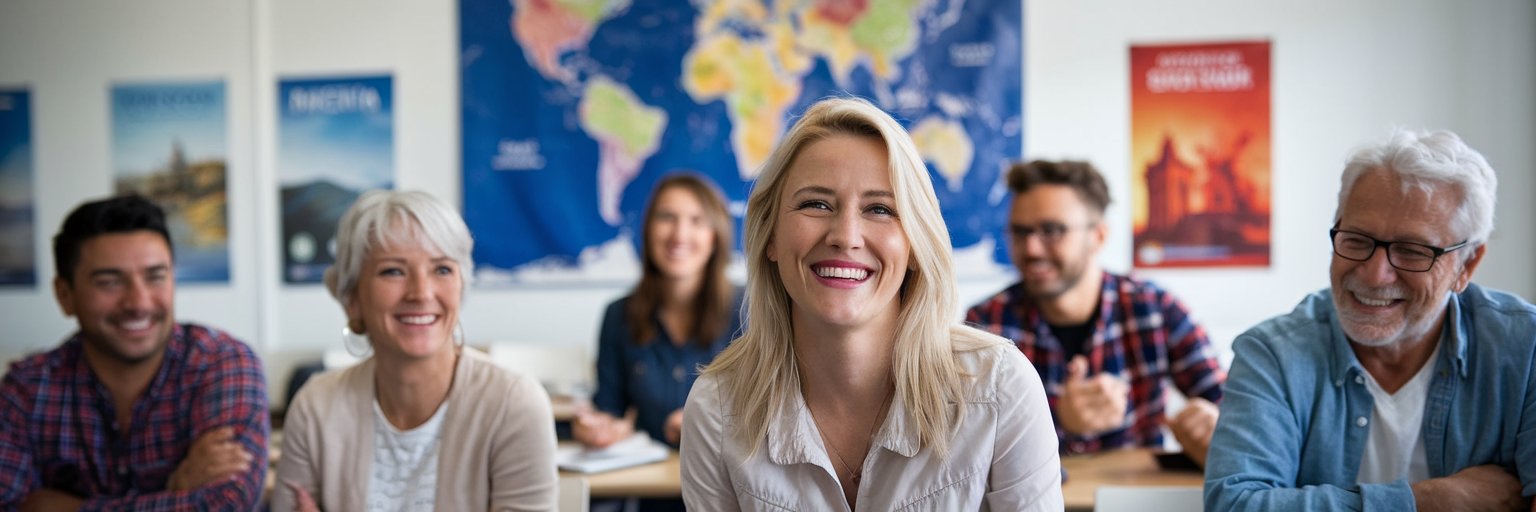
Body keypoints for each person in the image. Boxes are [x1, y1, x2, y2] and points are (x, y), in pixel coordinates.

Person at [680, 97, 1062, 510]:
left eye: (880, 209)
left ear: (916, 244)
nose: (846, 236)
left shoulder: (1000, 388)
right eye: (816, 204)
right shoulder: (716, 409)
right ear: (770, 236)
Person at [1205, 130, 1536, 510]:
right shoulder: (1273, 354)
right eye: (1357, 240)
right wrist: (1428, 501)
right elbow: (1235, 506)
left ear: (1467, 265)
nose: (1375, 274)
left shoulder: (1525, 348)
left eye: (1412, 251)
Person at [274, 190, 558, 511]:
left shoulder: (514, 404)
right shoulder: (315, 408)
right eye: (393, 271)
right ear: (352, 298)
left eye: (442, 269)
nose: (421, 293)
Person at [0, 194, 269, 510]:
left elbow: (228, 504)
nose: (139, 303)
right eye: (110, 282)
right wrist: (176, 492)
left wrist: (56, 506)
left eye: (155, 277)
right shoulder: (26, 390)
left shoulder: (222, 362)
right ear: (65, 295)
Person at [965, 159, 1225, 465]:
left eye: (1052, 230)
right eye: (1020, 232)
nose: (1032, 248)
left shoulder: (1155, 310)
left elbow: (1238, 412)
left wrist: (1215, 424)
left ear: (1098, 236)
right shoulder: (984, 325)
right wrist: (1059, 423)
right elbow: (967, 448)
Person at [574, 172, 744, 452]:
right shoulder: (618, 315)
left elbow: (772, 409)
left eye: (696, 221)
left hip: (726, 483)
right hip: (646, 485)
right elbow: (609, 408)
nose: (679, 234)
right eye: (666, 217)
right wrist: (594, 427)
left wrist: (706, 421)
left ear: (715, 237)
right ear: (648, 231)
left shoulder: (750, 310)